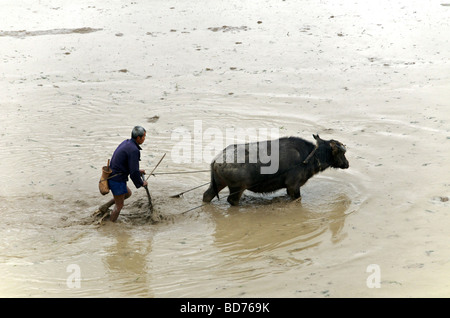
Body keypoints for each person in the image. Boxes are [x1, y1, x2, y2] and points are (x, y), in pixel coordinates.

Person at [99, 126, 148, 222]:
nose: (144, 139)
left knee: (127, 193)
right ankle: (111, 225)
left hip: (114, 175)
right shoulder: (134, 150)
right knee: (119, 206)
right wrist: (141, 183)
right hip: (117, 179)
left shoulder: (127, 143)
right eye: (144, 137)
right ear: (138, 138)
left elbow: (127, 165)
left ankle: (104, 207)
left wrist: (138, 171)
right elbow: (133, 172)